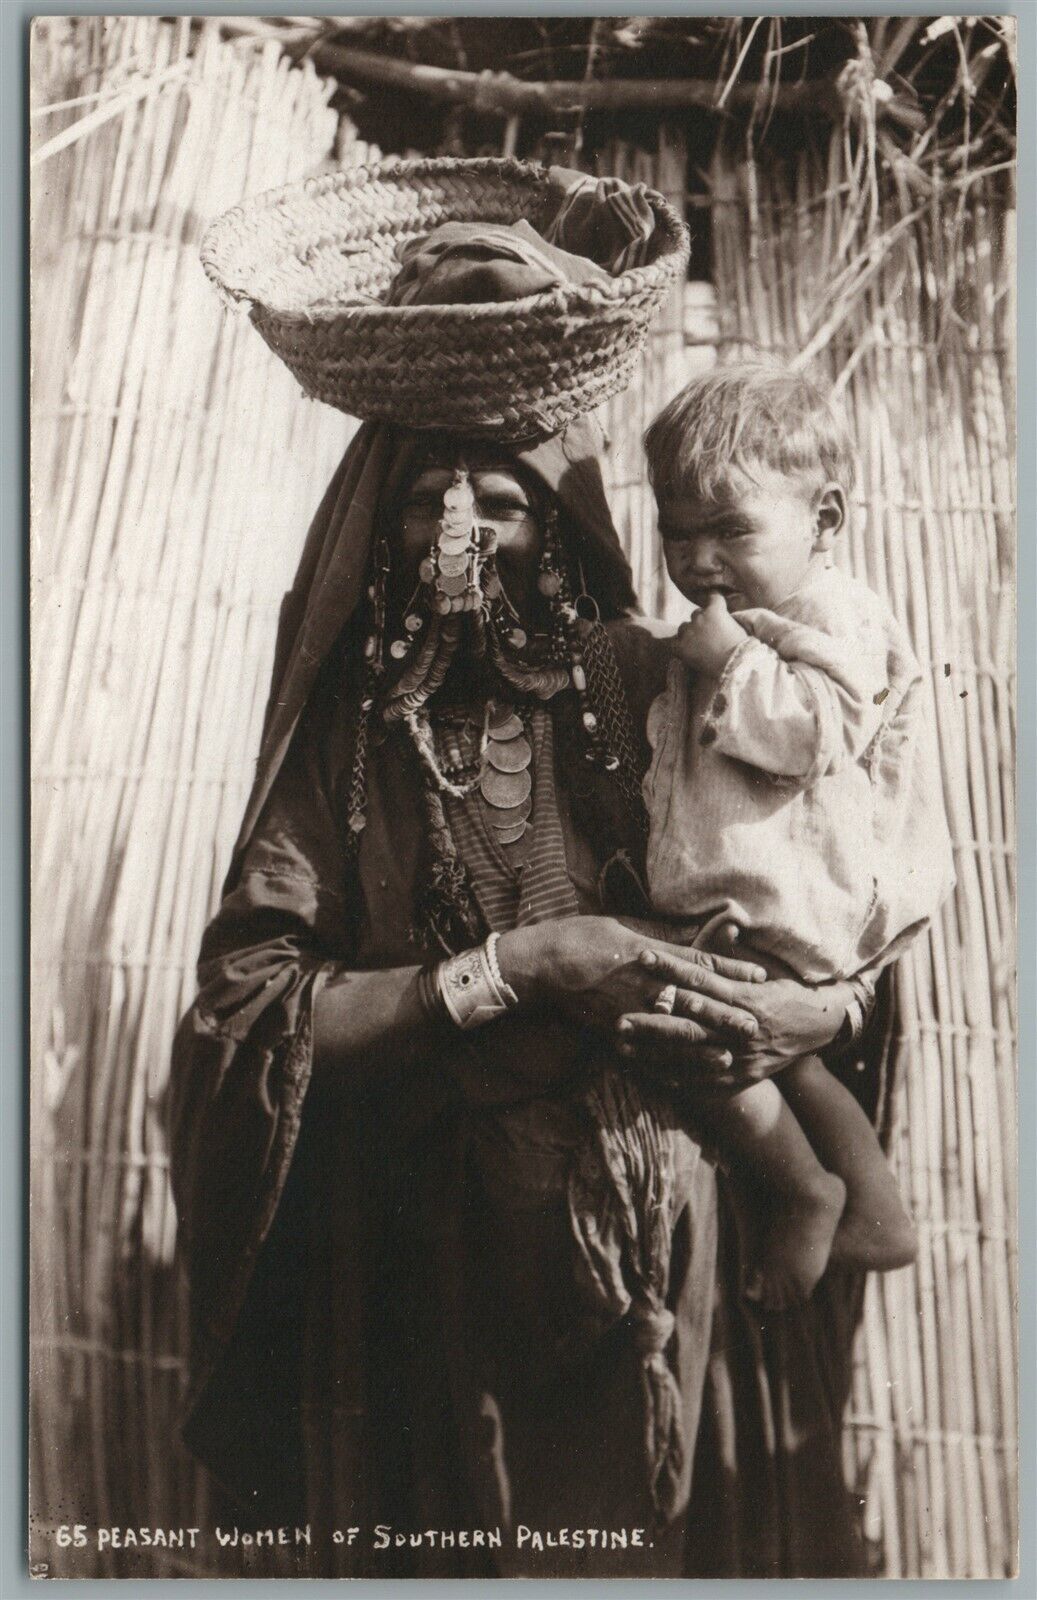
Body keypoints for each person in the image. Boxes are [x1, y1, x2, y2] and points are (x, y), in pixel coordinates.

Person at [171, 161, 900, 1578]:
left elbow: (826, 878)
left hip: (663, 1215)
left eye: (496, 492)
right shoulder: (350, 732)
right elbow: (249, 1008)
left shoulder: (661, 676)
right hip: (420, 1254)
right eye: (424, 492)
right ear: (377, 523)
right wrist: (522, 963)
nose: (461, 524)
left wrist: (833, 1013)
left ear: (555, 509)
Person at [641, 364, 955, 1308]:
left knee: (686, 1033)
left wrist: (730, 659)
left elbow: (822, 730)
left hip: (787, 899)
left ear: (824, 518)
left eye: (730, 529)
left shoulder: (834, 612)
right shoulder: (757, 617)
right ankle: (872, 1206)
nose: (698, 561)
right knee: (787, 1056)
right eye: (676, 532)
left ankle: (801, 1189)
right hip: (765, 900)